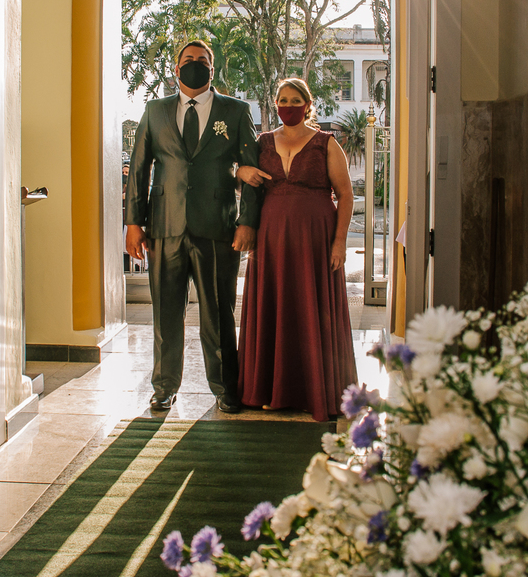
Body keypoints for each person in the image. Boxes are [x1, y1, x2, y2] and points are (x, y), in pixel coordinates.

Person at [125, 40, 261, 414]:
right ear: (176, 67)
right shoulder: (154, 111)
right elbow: (139, 169)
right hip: (164, 227)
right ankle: (164, 386)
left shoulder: (235, 111)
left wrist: (247, 222)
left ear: (212, 70)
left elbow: (251, 172)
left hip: (217, 227)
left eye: (203, 61)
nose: (195, 65)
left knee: (218, 313)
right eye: (189, 61)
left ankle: (225, 387)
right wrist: (133, 223)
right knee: (165, 313)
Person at [235, 78, 358, 421]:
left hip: (316, 240)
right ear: (275, 105)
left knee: (311, 306)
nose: (288, 106)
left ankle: (314, 392)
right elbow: (242, 176)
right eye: (282, 101)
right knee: (275, 307)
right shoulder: (262, 142)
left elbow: (345, 195)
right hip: (272, 239)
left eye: (294, 100)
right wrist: (240, 170)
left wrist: (339, 241)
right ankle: (268, 390)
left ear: (307, 104)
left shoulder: (326, 143)